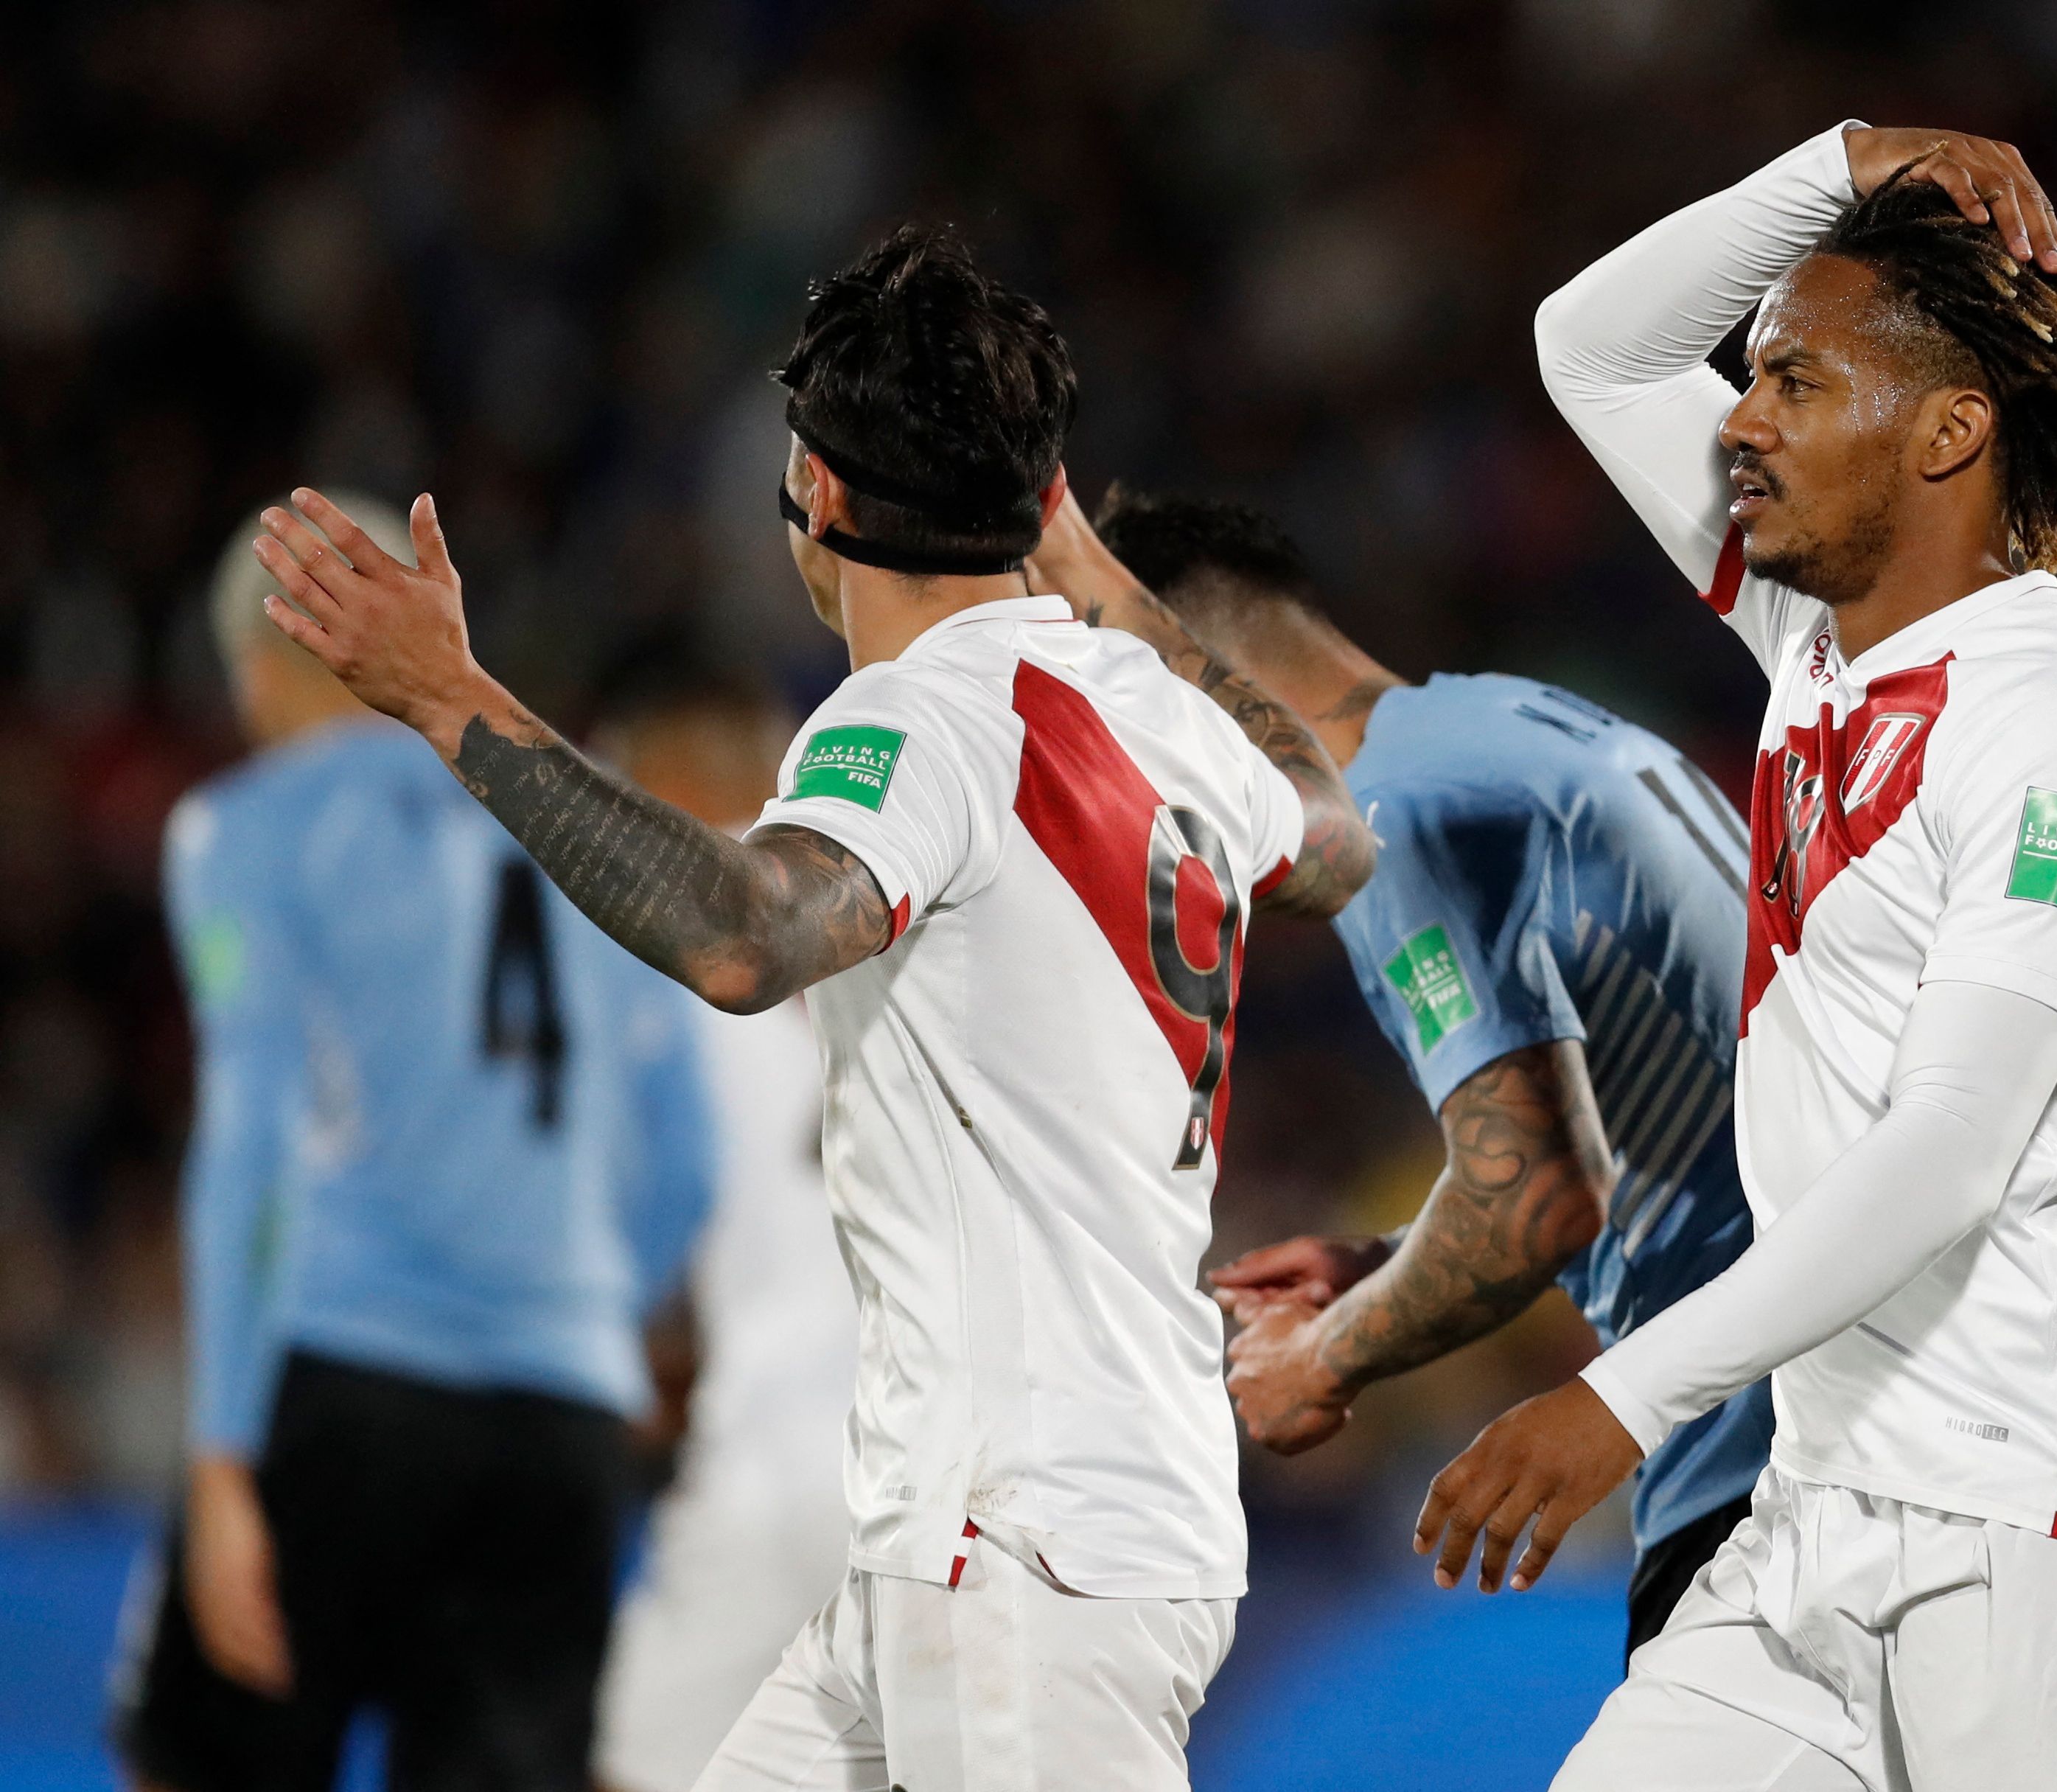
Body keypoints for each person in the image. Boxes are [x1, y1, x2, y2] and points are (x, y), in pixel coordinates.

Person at [243, 226, 1373, 1791]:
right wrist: (1100, 572)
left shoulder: (915, 725)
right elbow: (1331, 833)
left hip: (1025, 1540)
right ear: (1039, 494)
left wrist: (451, 697)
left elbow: (739, 936)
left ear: (816, 495)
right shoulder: (1153, 711)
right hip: (987, 1525)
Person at [1408, 123, 2057, 1791]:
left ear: (1946, 433)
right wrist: (1841, 162)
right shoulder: (1817, 647)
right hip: (1812, 1520)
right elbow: (1592, 342)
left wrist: (1621, 1398)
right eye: (1751, 377)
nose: (1739, 419)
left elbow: (1945, 1148)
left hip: (2035, 1530)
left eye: (1792, 379)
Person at [1040, 487, 1770, 1658]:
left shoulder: (1395, 817)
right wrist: (1379, 1266)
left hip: (1767, 1473)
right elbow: (1627, 1128)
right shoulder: (1505, 726)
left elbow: (1535, 1192)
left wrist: (1326, 1359)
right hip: (1829, 1418)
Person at [114, 497, 717, 1792]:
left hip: (340, 1385)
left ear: (265, 661)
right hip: (559, 1418)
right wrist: (587, 1311)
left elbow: (251, 1138)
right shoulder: (599, 817)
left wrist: (222, 1454)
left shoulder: (255, 826)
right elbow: (689, 1163)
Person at [585, 655, 859, 1792]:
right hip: (936, 1474)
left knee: (634, 1771)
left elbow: (628, 1214)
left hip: (771, 1462)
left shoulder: (664, 963)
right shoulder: (907, 910)